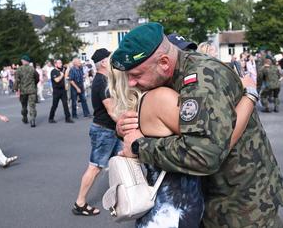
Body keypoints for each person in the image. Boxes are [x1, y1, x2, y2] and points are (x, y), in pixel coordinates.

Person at [110, 22, 283, 227]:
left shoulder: (202, 80)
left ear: (163, 62)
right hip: (215, 199)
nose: (131, 83)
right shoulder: (169, 80)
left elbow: (204, 155)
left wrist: (139, 146)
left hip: (240, 204)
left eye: (136, 75)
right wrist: (126, 128)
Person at [108, 64, 257, 228]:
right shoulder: (161, 97)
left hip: (162, 210)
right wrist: (250, 96)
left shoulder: (143, 102)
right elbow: (217, 145)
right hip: (172, 212)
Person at [72, 48, 121, 216]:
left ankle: (122, 197)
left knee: (121, 161)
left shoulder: (105, 79)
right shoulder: (102, 82)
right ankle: (80, 203)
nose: (112, 61)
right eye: (110, 58)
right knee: (95, 168)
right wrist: (127, 125)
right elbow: (112, 111)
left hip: (110, 130)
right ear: (104, 62)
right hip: (104, 131)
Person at [14, 55, 39, 127]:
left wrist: (16, 89)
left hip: (23, 91)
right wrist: (34, 84)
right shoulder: (32, 69)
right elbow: (37, 78)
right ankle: (33, 120)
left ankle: (25, 118)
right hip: (32, 90)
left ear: (24, 61)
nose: (21, 61)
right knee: (32, 106)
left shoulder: (19, 69)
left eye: (22, 60)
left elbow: (16, 80)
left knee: (24, 106)